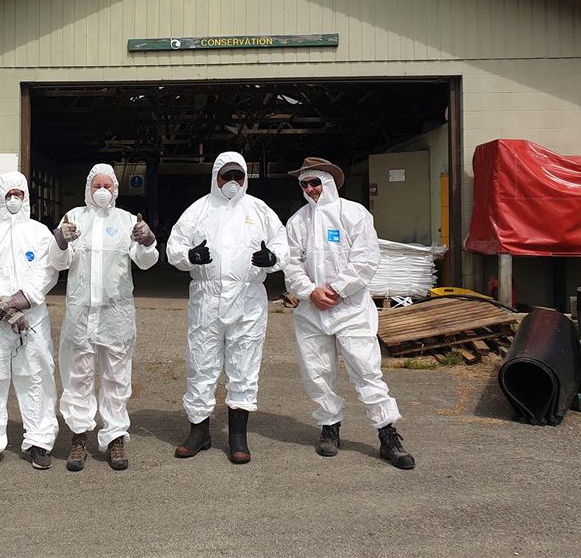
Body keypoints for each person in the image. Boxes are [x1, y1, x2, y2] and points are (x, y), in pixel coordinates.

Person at [283, 157, 415, 470]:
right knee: (316, 373)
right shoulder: (297, 221)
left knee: (366, 371)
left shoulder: (354, 214)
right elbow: (290, 263)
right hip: (311, 311)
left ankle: (387, 434)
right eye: (305, 184)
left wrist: (337, 290)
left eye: (316, 182)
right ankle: (330, 428)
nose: (311, 189)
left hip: (352, 309)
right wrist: (309, 291)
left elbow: (366, 260)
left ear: (329, 183)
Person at [166, 152, 289, 464]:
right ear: (216, 177)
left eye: (238, 176)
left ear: (245, 177)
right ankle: (199, 431)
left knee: (244, 366)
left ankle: (238, 436)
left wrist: (272, 259)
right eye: (226, 176)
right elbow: (174, 246)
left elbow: (282, 245)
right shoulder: (199, 210)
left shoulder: (259, 210)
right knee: (201, 365)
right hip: (207, 298)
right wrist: (190, 256)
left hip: (247, 300)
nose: (232, 182)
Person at [50, 164, 158, 471]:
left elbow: (146, 261)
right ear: (88, 187)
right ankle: (79, 438)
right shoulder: (75, 217)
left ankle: (114, 439)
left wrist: (147, 238)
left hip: (116, 315)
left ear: (115, 190)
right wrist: (60, 239)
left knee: (116, 378)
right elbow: (59, 262)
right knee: (79, 377)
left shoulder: (126, 221)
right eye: (97, 184)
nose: (102, 190)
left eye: (107, 186)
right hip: (81, 315)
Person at [0, 172, 59, 475]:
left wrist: (25, 298)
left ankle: (40, 441)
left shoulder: (41, 233)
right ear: (0, 197)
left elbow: (49, 270)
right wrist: (3, 304)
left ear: (26, 196)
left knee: (37, 377)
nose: (14, 199)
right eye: (9, 194)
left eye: (19, 193)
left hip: (32, 318)